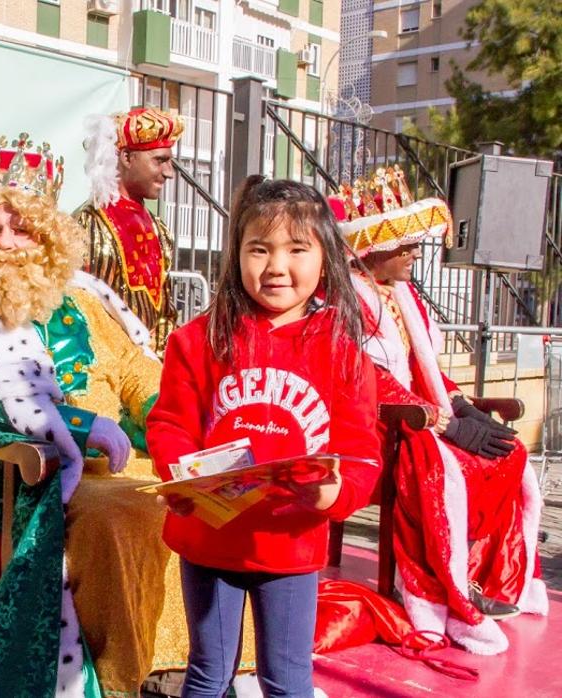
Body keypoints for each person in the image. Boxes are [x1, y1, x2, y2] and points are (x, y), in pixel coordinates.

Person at [0, 134, 246, 697]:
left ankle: (201, 666)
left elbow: (132, 371)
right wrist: (70, 426)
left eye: (19, 229)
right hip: (9, 472)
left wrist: (169, 421)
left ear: (45, 234)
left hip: (114, 459)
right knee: (121, 516)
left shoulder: (84, 296)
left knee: (203, 493)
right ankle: (120, 678)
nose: (4, 242)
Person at [146, 177, 381, 697]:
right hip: (209, 541)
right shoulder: (198, 340)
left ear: (325, 258)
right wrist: (180, 477)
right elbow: (169, 424)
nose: (276, 266)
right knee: (208, 674)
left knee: (287, 679)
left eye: (297, 249)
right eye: (260, 249)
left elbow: (362, 452)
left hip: (291, 546)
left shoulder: (345, 357)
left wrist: (336, 494)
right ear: (237, 255)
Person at [334, 170, 547, 655]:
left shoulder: (409, 300)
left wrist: (463, 407)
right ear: (372, 251)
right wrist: (440, 420)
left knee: (509, 455)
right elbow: (364, 380)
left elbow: (426, 370)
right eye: (404, 245)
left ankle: (483, 577)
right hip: (377, 427)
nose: (415, 253)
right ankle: (442, 591)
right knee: (435, 468)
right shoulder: (346, 302)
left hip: (422, 415)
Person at [75, 107, 184, 354]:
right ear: (126, 157)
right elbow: (84, 313)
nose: (169, 172)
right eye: (160, 160)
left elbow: (165, 311)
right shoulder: (91, 224)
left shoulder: (160, 229)